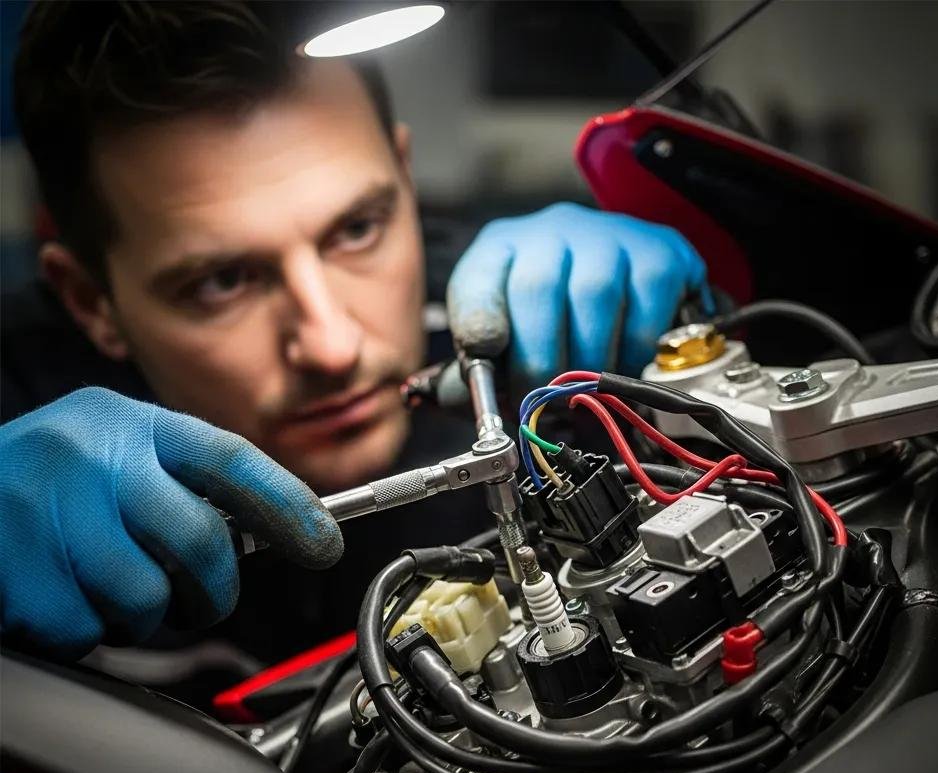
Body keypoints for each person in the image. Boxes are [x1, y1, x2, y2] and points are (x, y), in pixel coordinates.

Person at [0, 1, 709, 670]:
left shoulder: (534, 311)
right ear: (92, 302)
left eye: (358, 229)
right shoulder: (22, 433)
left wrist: (698, 335)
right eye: (221, 282)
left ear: (405, 177)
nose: (333, 347)